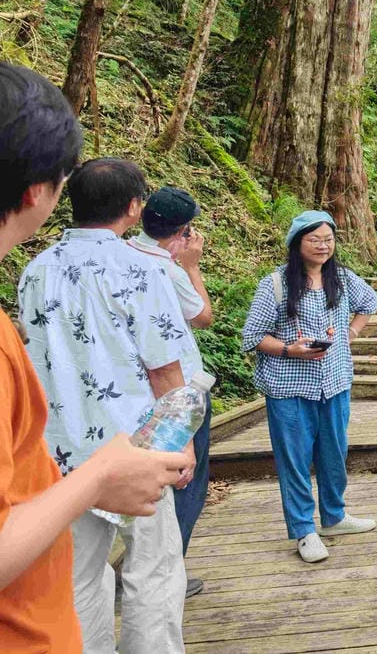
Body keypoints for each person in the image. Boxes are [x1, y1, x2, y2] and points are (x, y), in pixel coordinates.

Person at [0, 64, 189, 652]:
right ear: (134, 208)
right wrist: (178, 441)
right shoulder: (146, 267)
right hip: (134, 450)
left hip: (55, 453)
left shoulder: (34, 269)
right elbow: (165, 369)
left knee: (75, 574)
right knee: (153, 571)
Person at [241, 210, 377, 563]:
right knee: (295, 460)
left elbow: (369, 303)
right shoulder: (275, 284)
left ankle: (334, 517)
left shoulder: (344, 279)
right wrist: (290, 350)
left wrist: (351, 333)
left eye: (328, 239)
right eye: (314, 239)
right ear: (296, 243)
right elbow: (253, 336)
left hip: (334, 382)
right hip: (288, 387)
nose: (322, 245)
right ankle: (304, 529)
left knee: (334, 453)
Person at [128, 186, 214, 597]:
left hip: (130, 389)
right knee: (185, 480)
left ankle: (138, 570)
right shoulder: (169, 268)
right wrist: (192, 267)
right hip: (179, 388)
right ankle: (169, 572)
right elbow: (203, 317)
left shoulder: (123, 253)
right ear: (181, 232)